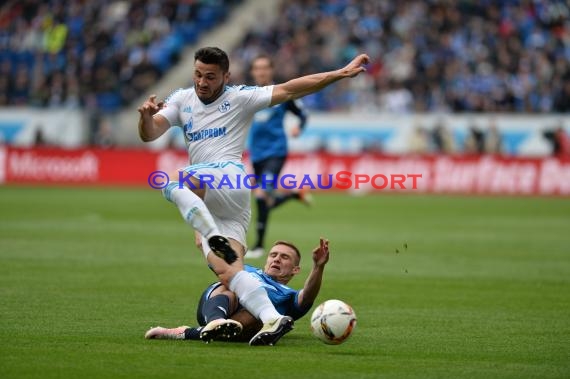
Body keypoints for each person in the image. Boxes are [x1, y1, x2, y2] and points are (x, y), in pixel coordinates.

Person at [137, 47, 368, 346]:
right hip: (224, 207)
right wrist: (145, 117)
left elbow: (289, 89)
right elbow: (150, 133)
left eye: (210, 76)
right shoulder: (182, 99)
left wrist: (339, 73)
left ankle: (204, 226)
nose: (202, 82)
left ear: (226, 77)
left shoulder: (240, 97)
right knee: (229, 273)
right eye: (198, 74)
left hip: (228, 177)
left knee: (175, 181)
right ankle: (271, 318)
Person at [145, 238, 329, 344]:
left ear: (295, 270)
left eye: (284, 257)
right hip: (217, 301)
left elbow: (307, 297)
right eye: (273, 255)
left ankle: (194, 331)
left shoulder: (288, 295)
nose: (277, 259)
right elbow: (217, 262)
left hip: (241, 323)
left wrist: (318, 267)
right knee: (233, 283)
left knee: (255, 313)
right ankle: (214, 322)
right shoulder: (246, 269)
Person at [247, 55, 310, 259]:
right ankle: (293, 195)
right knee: (267, 202)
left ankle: (257, 246)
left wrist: (298, 127)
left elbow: (303, 113)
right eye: (257, 68)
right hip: (256, 154)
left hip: (276, 152)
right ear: (253, 72)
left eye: (265, 68)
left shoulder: (282, 93)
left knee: (261, 195)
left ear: (271, 71)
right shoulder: (248, 96)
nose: (261, 72)